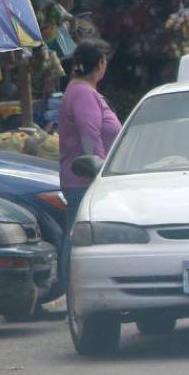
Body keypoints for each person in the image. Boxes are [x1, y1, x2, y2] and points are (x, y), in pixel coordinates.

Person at [58, 39, 122, 283]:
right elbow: (89, 136)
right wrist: (99, 172)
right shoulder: (83, 93)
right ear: (100, 64)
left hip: (82, 179)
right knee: (76, 239)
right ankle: (73, 291)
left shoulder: (79, 90)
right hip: (85, 180)